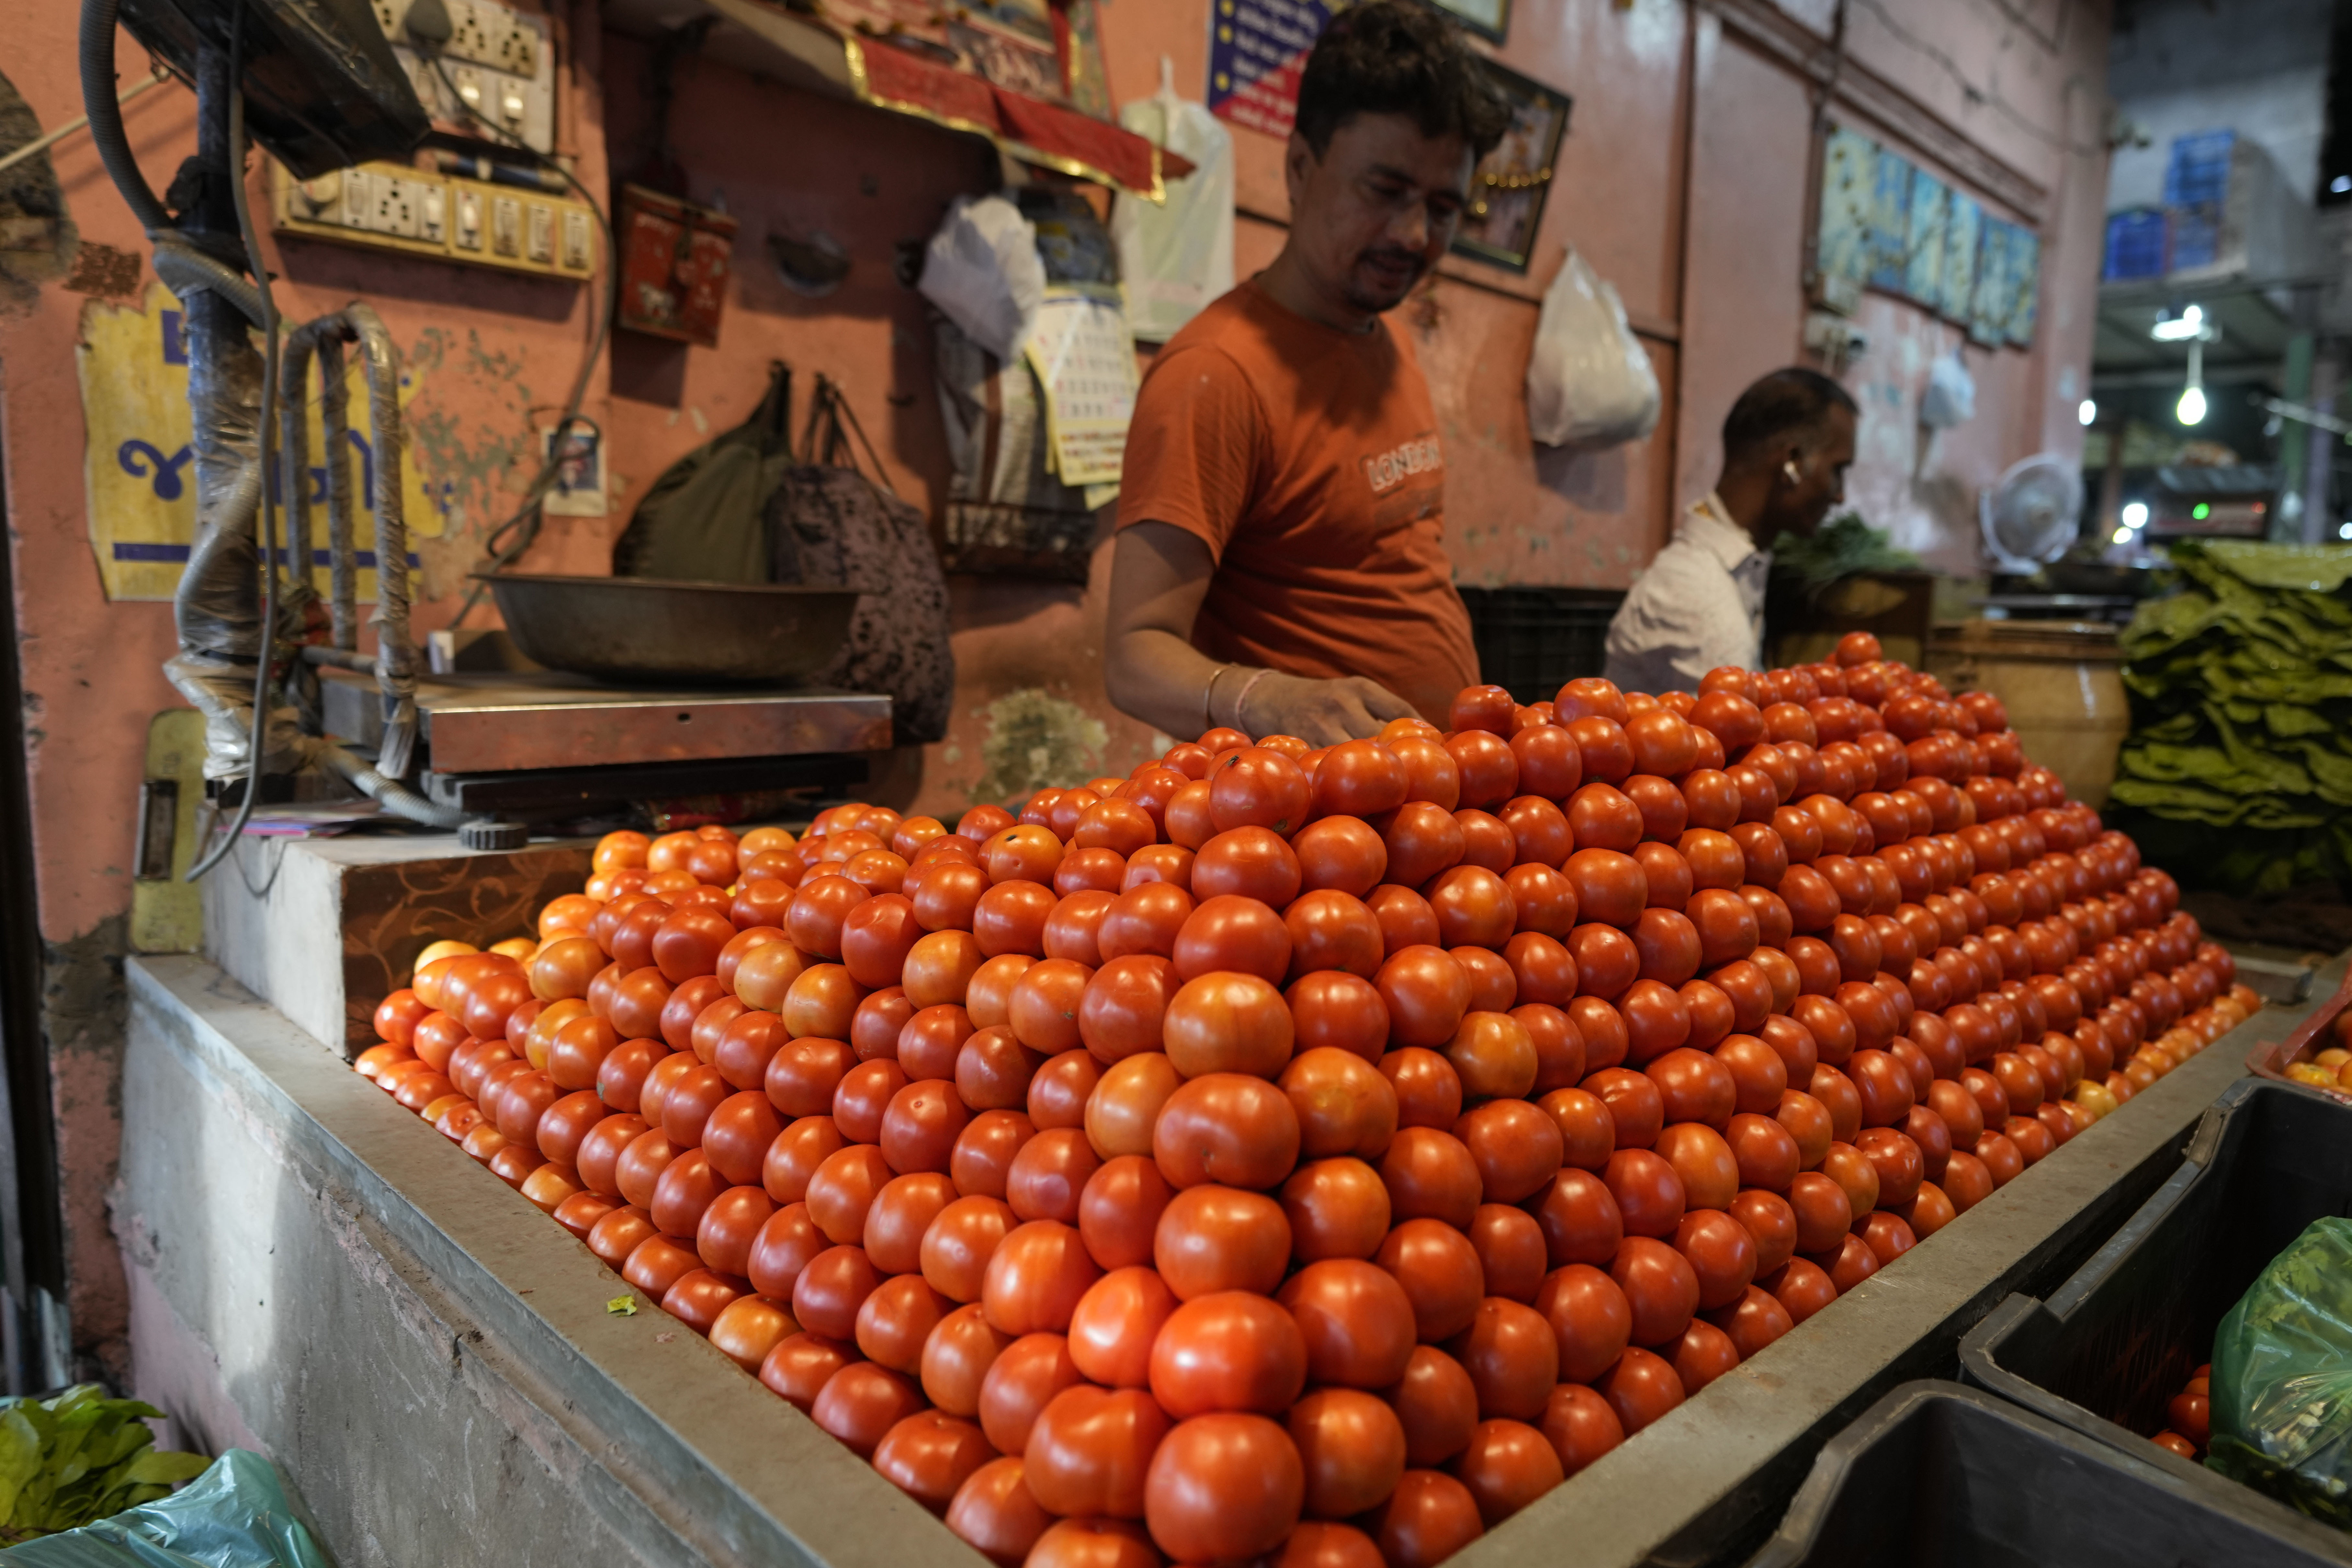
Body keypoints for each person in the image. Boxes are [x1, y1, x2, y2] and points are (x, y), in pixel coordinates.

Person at [1102, 2, 1509, 746]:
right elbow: (1133, 656)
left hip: (1430, 802)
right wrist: (1267, 699)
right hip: (1313, 835)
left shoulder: (1388, 337)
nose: (1414, 235)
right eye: (1383, 192)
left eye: (1442, 207)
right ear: (1299, 168)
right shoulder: (1215, 375)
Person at [1602, 368, 1858, 695]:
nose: (1840, 495)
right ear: (1792, 462)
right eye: (1838, 470)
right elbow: (1740, 730)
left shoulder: (1733, 568)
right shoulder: (1701, 599)